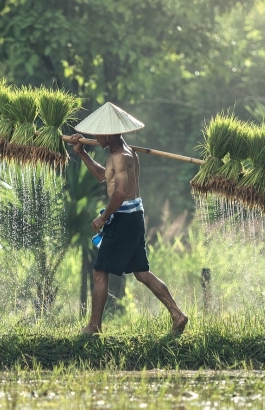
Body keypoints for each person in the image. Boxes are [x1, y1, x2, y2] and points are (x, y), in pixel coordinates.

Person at [69, 102, 188, 335]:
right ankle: (177, 314)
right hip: (133, 216)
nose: (94, 136)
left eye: (98, 132)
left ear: (108, 133)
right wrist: (81, 153)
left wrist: (103, 217)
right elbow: (104, 177)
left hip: (123, 218)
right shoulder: (123, 153)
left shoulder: (122, 156)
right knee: (141, 272)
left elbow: (120, 193)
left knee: (99, 271)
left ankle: (94, 326)